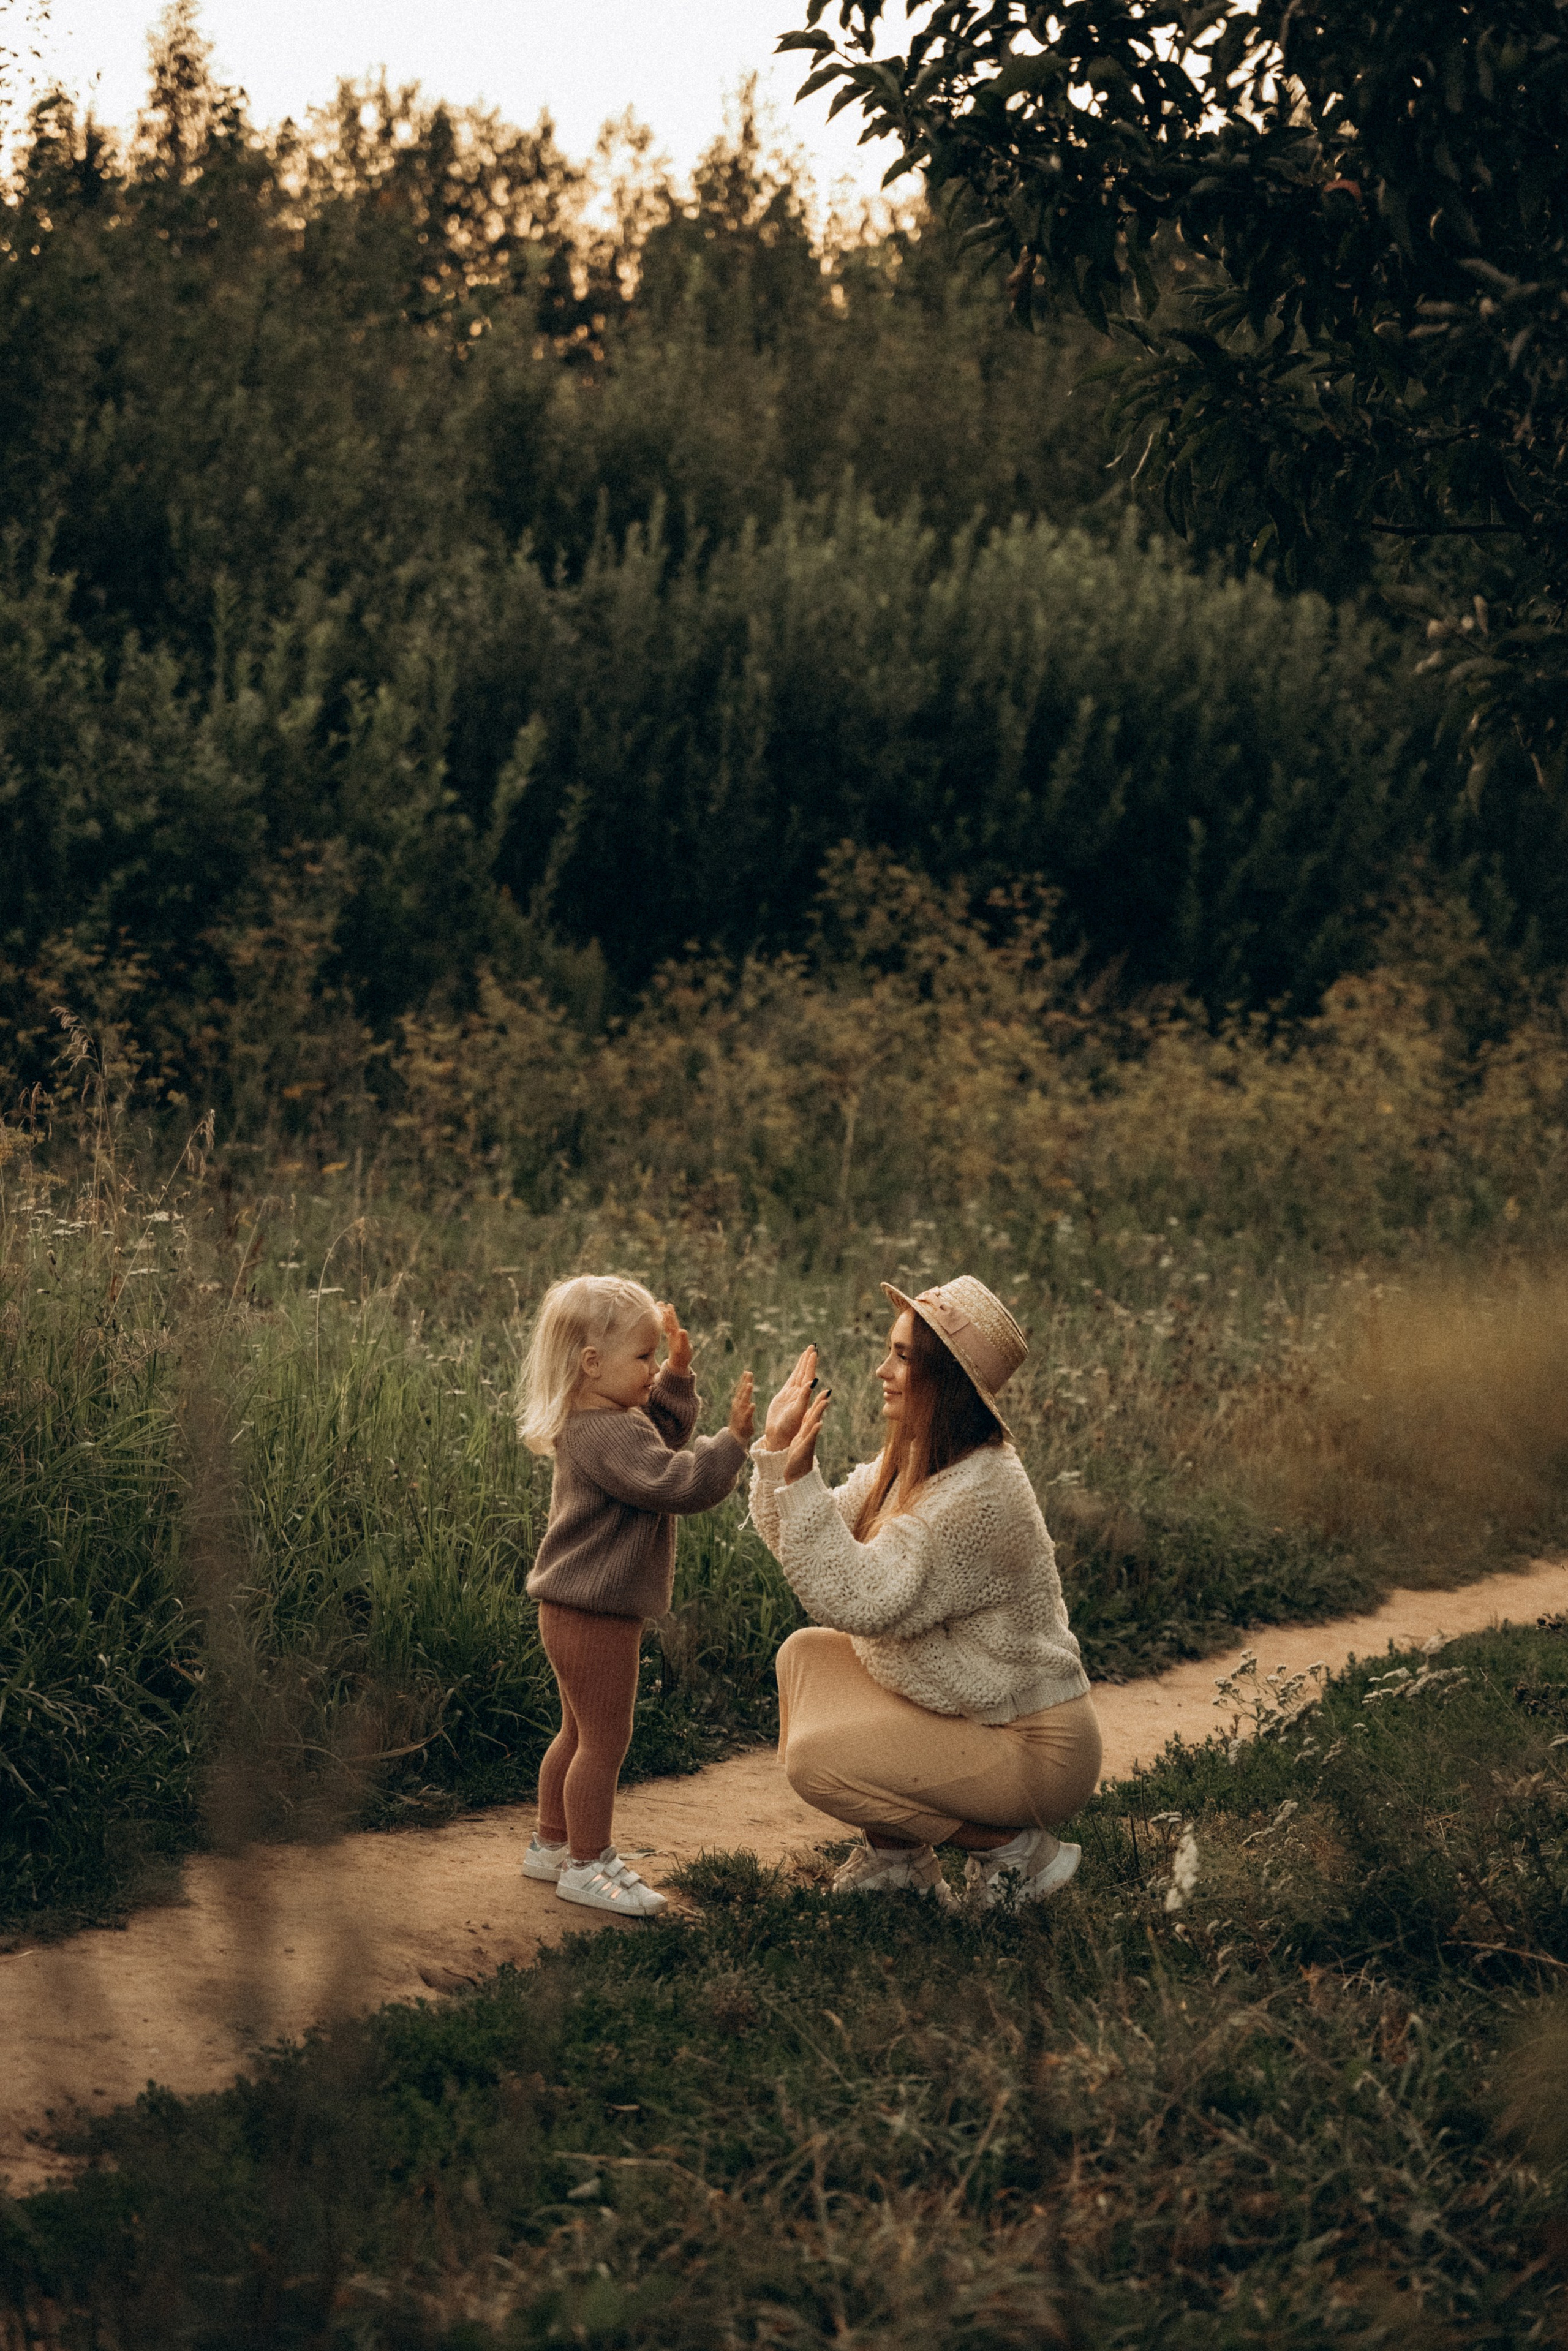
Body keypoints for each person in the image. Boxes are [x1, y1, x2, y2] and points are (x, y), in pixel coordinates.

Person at [750, 1277, 1100, 1908]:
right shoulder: (920, 1458)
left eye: (904, 1356)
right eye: (890, 1351)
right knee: (806, 1655)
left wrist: (796, 1478)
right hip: (983, 1715)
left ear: (947, 1377)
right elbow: (818, 1538)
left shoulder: (977, 1493)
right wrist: (778, 1454)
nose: (883, 1370)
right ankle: (898, 1861)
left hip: (1036, 1745)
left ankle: (1011, 1850)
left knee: (815, 1762)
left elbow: (856, 1596)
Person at [518, 1274, 755, 1915]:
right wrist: (732, 1443)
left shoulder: (598, 1419)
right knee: (604, 1741)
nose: (652, 1369)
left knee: (576, 1733)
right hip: (594, 1611)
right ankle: (587, 1864)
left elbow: (655, 1439)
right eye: (645, 1357)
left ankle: (551, 1842)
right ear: (592, 1363)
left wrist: (675, 1378)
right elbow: (673, 1479)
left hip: (570, 1607)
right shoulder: (612, 1433)